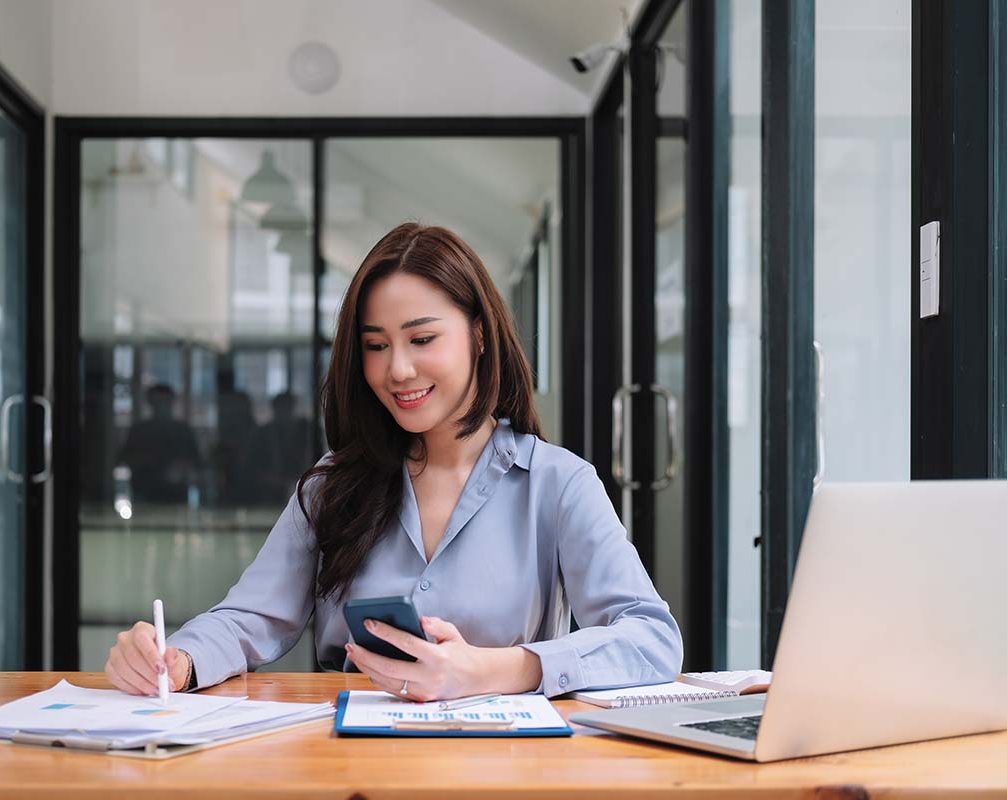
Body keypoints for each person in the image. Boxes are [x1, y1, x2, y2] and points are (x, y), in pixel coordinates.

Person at [105, 222, 682, 701]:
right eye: (376, 346)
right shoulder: (334, 485)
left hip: (503, 765)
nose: (397, 370)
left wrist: (495, 669)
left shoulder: (557, 483)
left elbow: (651, 639)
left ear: (479, 336)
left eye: (422, 339)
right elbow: (252, 617)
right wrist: (176, 659)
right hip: (349, 760)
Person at [115, 383, 201, 505]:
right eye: (158, 401)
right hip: (145, 492)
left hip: (175, 494)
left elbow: (196, 461)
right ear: (151, 403)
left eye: (164, 401)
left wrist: (182, 468)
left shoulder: (182, 431)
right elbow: (125, 458)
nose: (161, 406)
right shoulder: (139, 431)